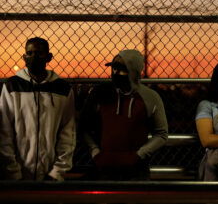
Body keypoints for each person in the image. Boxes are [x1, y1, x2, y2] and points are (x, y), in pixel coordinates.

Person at [80, 49, 168, 180]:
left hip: (135, 168)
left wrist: (139, 154)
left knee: (134, 199)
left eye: (122, 69)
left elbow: (161, 133)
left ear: (134, 71)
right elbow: (84, 126)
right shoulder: (101, 93)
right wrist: (95, 151)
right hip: (103, 166)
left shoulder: (149, 97)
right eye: (114, 68)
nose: (115, 73)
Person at [0, 37, 76, 181]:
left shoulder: (63, 89)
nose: (34, 57)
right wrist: (12, 171)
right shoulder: (12, 86)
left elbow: (67, 133)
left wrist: (57, 172)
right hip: (17, 174)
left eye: (39, 53)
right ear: (24, 57)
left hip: (51, 174)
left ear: (49, 57)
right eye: (30, 53)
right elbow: (5, 133)